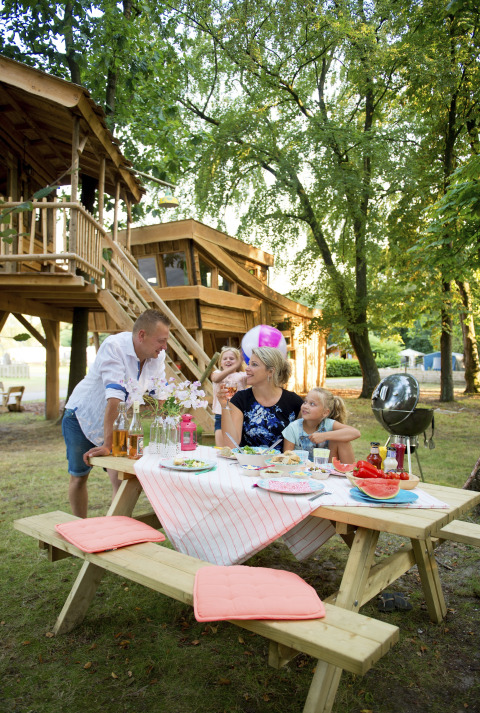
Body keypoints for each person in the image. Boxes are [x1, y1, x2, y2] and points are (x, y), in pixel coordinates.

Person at [62, 309, 171, 518]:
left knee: (121, 479)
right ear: (142, 335)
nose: (164, 347)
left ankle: (114, 532)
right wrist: (107, 444)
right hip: (81, 418)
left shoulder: (157, 355)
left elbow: (160, 393)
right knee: (79, 476)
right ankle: (80, 527)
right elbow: (115, 398)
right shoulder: (114, 346)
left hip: (116, 422)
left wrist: (166, 428)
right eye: (161, 340)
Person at [219, 346, 303, 448]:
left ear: (270, 372)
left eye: (254, 364)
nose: (247, 368)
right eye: (248, 364)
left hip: (281, 463)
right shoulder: (240, 399)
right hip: (247, 463)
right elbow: (232, 445)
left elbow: (305, 441)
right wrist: (224, 406)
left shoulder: (294, 402)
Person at [282, 387, 360, 463]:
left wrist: (324, 436)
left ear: (325, 413)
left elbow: (355, 433)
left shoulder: (329, 424)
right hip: (300, 471)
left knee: (342, 439)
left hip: (327, 470)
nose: (305, 406)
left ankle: (349, 473)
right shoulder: (293, 428)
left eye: (312, 404)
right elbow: (287, 458)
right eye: (305, 402)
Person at [211, 346, 247, 446]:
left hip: (238, 416)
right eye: (225, 359)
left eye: (232, 359)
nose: (228, 361)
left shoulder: (242, 376)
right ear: (220, 363)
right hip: (221, 415)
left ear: (238, 361)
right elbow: (216, 379)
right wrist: (235, 365)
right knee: (222, 448)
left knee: (236, 446)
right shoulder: (217, 373)